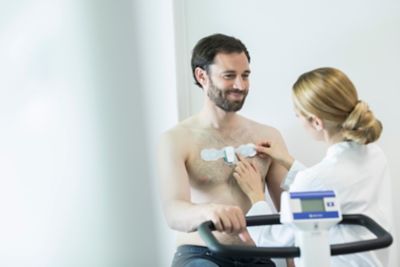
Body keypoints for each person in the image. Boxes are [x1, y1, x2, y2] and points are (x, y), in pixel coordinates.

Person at [233, 67, 394, 267]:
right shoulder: (375, 154)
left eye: (297, 115)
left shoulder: (315, 180)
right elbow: (333, 188)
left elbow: (275, 240)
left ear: (316, 123)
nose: (297, 120)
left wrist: (256, 195)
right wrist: (287, 161)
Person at [158, 33, 288, 267]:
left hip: (256, 256)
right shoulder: (176, 139)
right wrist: (209, 212)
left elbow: (289, 213)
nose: (240, 85)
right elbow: (173, 211)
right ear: (202, 76)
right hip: (201, 253)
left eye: (245, 75)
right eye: (229, 76)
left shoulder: (268, 137)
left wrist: (294, 263)